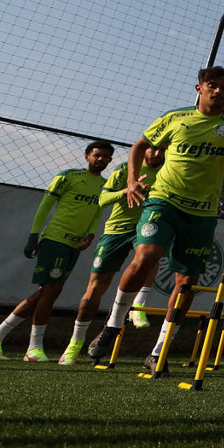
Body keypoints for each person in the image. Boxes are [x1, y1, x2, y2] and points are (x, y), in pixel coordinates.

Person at [86, 67, 224, 374]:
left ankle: (158, 351)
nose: (218, 91)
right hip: (164, 201)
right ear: (199, 88)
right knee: (146, 256)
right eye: (213, 85)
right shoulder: (175, 117)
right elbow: (139, 146)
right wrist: (132, 180)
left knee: (187, 282)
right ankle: (113, 325)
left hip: (202, 212)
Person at [0, 141, 113, 361]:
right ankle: (34, 348)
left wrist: (90, 234)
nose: (101, 159)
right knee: (51, 291)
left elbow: (97, 212)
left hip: (75, 245)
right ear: (87, 156)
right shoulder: (68, 176)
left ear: (110, 160)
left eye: (105, 156)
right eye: (97, 155)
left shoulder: (105, 186)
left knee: (47, 291)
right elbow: (45, 205)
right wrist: (34, 236)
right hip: (55, 240)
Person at [56, 147, 166, 365]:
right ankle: (75, 343)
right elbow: (103, 199)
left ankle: (138, 306)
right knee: (96, 288)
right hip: (115, 231)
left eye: (162, 150)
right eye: (153, 148)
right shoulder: (126, 169)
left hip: (144, 227)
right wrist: (125, 191)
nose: (157, 153)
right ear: (143, 149)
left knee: (150, 253)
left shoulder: (168, 171)